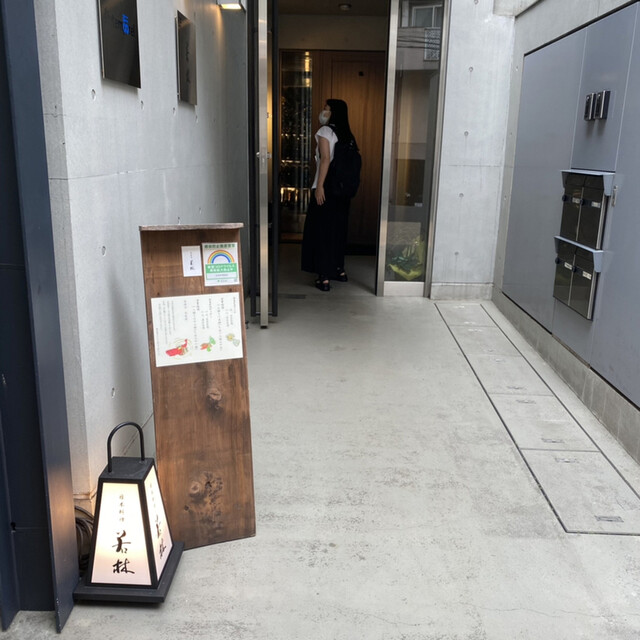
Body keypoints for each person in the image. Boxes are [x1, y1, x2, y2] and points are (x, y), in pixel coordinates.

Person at [301, 98, 357, 291]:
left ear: (333, 113)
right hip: (342, 192)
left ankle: (323, 277)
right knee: (338, 231)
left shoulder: (325, 131)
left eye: (326, 109)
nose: (323, 111)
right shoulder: (347, 134)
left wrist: (320, 187)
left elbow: (325, 159)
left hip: (326, 189)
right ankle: (339, 270)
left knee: (321, 232)